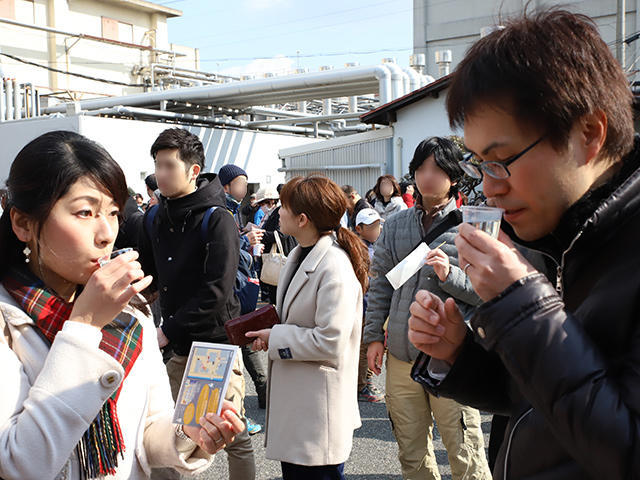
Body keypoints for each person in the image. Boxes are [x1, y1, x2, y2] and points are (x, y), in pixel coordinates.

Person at [408, 10, 640, 480]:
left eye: (500, 160)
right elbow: (541, 402)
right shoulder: (555, 232)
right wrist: (459, 353)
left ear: (589, 134)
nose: (489, 188)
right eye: (479, 165)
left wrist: (520, 307)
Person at [0, 131, 245, 480]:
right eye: (85, 212)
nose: (106, 234)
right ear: (23, 223)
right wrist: (84, 324)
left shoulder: (130, 314)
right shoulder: (8, 319)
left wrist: (187, 436)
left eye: (113, 212)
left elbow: (147, 431)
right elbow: (18, 463)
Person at [365, 137, 491, 480]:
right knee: (412, 453)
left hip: (452, 359)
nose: (427, 176)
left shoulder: (472, 225)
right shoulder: (396, 224)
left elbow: (487, 293)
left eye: (436, 169)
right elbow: (380, 286)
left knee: (465, 453)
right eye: (421, 168)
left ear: (453, 176)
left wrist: (450, 276)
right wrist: (373, 336)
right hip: (402, 356)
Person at [138, 128, 256, 480]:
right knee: (168, 432)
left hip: (214, 345)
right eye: (157, 165)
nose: (161, 174)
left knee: (231, 434)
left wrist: (165, 331)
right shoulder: (154, 217)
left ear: (193, 170)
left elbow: (217, 290)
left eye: (169, 166)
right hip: (176, 346)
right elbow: (150, 278)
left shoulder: (217, 217)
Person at [246, 175, 368, 480]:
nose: (278, 212)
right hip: (303, 407)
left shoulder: (333, 266)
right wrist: (269, 331)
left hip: (317, 411)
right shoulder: (301, 255)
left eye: (284, 207)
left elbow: (330, 340)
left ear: (303, 219)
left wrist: (276, 337)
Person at [218, 163, 268, 427]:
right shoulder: (222, 211)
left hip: (236, 287)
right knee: (235, 345)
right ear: (226, 185)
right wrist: (246, 241)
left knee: (242, 341)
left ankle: (258, 396)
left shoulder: (232, 210)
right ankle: (238, 414)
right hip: (230, 290)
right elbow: (227, 248)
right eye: (239, 183)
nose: (244, 188)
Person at [353, 208, 385, 403]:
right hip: (364, 305)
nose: (377, 230)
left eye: (378, 226)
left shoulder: (377, 246)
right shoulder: (357, 249)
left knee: (373, 344)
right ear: (359, 228)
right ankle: (361, 385)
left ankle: (367, 381)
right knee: (364, 347)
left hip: (375, 304)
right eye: (372, 227)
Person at [260, 183, 298, 307]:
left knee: (279, 297)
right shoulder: (277, 211)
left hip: (283, 255)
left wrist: (261, 235)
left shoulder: (285, 211)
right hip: (280, 256)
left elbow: (281, 234)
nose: (263, 207)